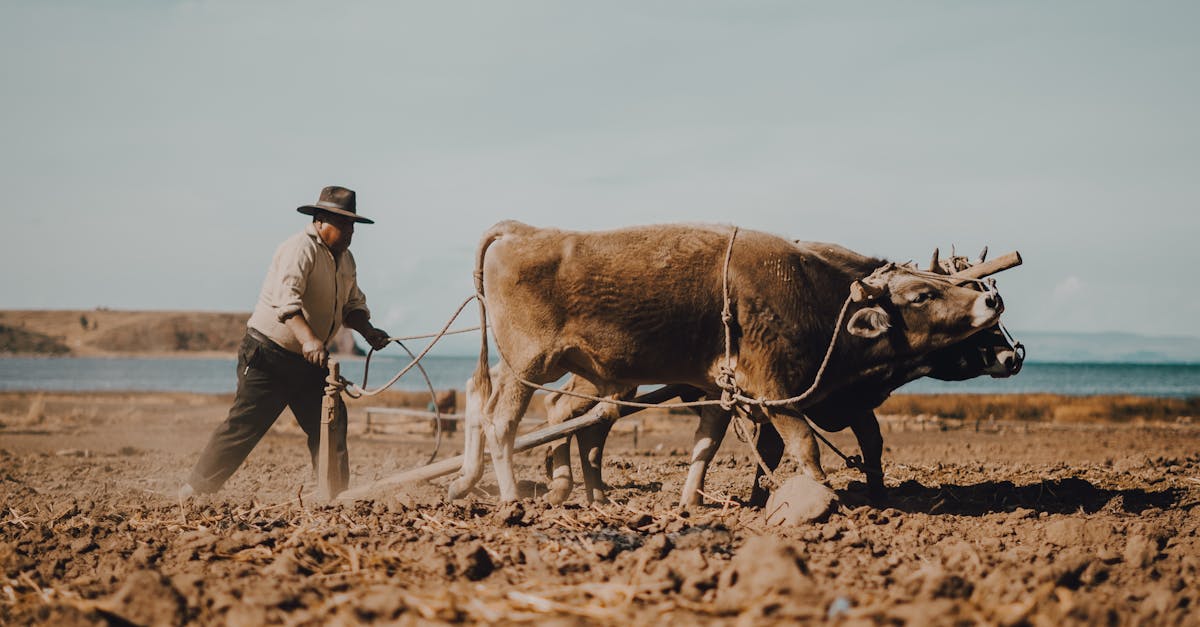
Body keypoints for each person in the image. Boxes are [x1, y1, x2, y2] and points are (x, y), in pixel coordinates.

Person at [180, 185, 390, 496]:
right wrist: (310, 341)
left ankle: (332, 494)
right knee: (244, 426)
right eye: (343, 224)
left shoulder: (346, 260)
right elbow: (287, 303)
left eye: (352, 225)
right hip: (269, 355)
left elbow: (352, 306)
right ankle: (194, 491)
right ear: (320, 221)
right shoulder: (299, 249)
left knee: (331, 423)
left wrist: (368, 330)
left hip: (309, 360)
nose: (350, 232)